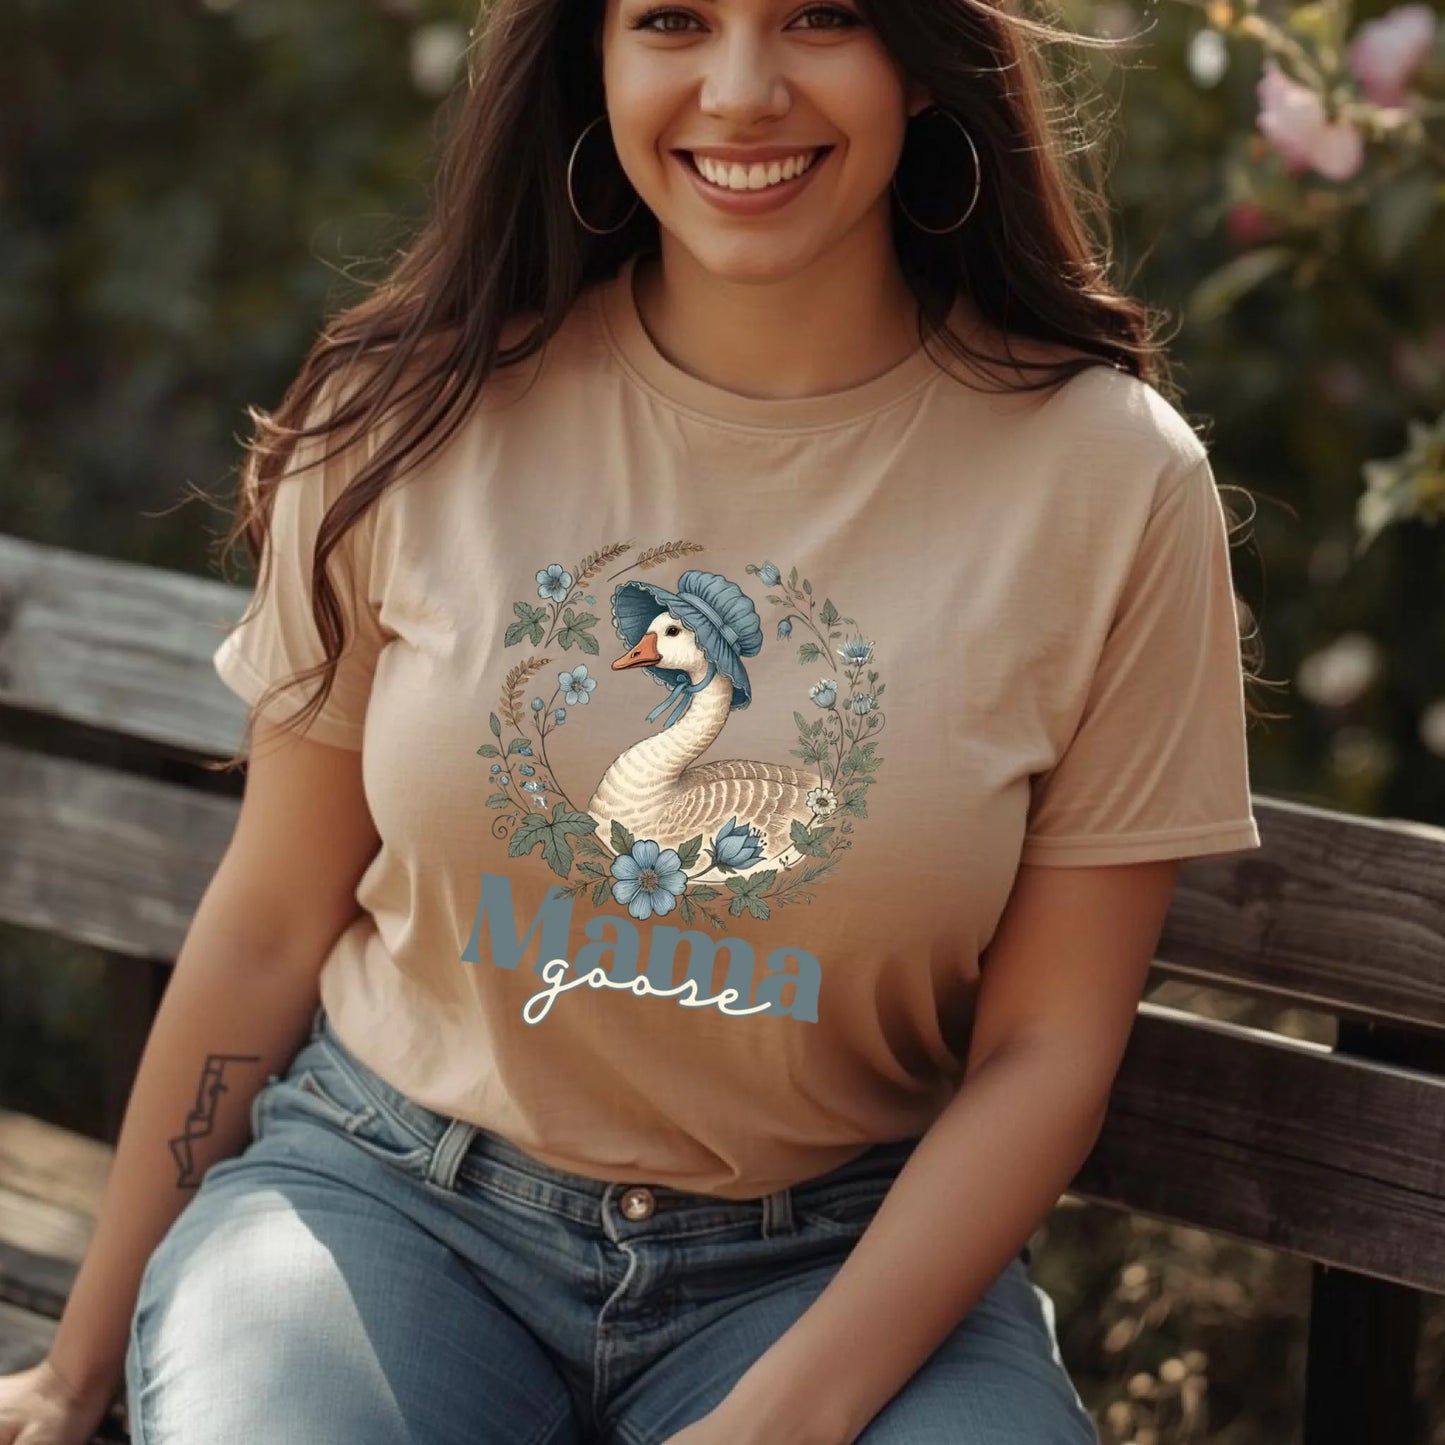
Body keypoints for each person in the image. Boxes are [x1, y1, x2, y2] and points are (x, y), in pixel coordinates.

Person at [0, 0, 1266, 1440]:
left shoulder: (1110, 484)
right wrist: (75, 1367)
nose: (741, 88)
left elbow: (1046, 1050)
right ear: (591, 56)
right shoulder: (409, 409)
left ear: (921, 62)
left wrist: (777, 1422)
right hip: (386, 1206)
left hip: (841, 1265)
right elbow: (270, 920)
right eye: (671, 18)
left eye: (822, 15)